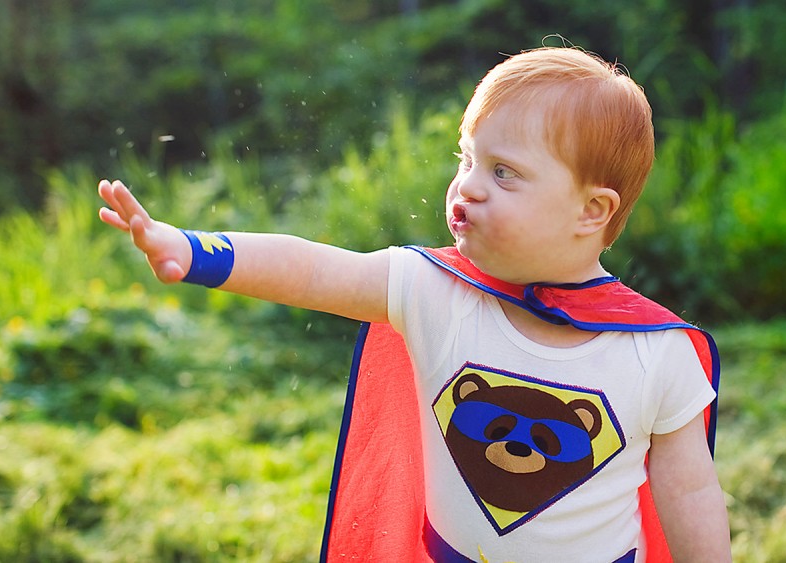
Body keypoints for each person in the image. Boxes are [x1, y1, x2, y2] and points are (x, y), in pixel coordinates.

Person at [98, 46, 731, 562]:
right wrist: (195, 251)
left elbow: (691, 491)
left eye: (504, 172)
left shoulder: (656, 352)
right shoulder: (433, 291)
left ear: (591, 211)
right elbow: (316, 270)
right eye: (467, 159)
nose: (467, 187)